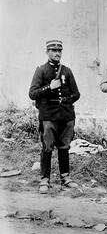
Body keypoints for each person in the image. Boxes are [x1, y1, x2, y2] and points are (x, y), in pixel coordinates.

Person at [29, 40, 80, 194]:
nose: (57, 53)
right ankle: (45, 179)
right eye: (53, 50)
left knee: (64, 146)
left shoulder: (67, 71)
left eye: (59, 50)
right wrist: (48, 87)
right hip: (48, 115)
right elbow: (32, 94)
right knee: (47, 146)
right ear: (47, 52)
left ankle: (65, 177)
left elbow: (76, 94)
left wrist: (66, 100)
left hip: (66, 115)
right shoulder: (41, 71)